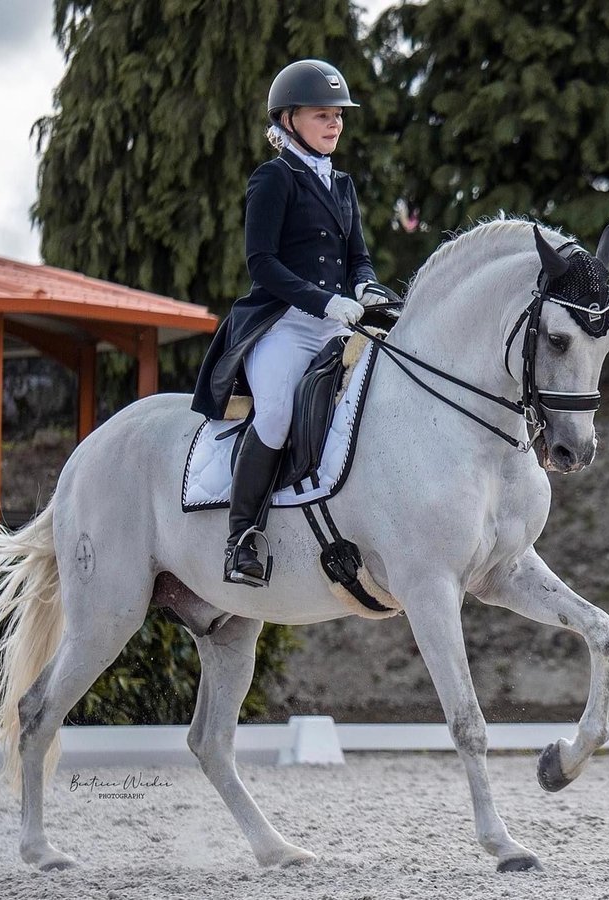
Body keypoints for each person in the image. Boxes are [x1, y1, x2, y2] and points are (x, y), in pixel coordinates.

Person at [191, 59, 396, 588]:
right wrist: (323, 304)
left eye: (338, 116)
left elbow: (359, 258)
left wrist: (367, 288)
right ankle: (241, 541)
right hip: (281, 324)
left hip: (335, 324)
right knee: (278, 413)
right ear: (287, 120)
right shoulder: (273, 179)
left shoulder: (343, 185)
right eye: (322, 115)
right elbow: (262, 263)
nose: (334, 125)